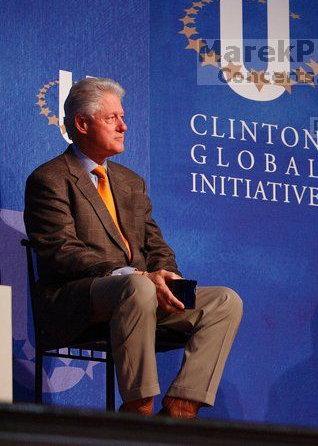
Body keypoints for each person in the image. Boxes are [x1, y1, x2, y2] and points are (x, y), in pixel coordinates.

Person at [24, 77, 243, 418]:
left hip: (139, 294)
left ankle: (182, 406)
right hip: (78, 298)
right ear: (82, 124)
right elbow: (61, 251)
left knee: (224, 301)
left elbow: (156, 244)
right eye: (112, 118)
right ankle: (138, 407)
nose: (124, 126)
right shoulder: (50, 179)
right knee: (138, 286)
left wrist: (166, 277)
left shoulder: (130, 182)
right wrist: (136, 275)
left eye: (123, 117)